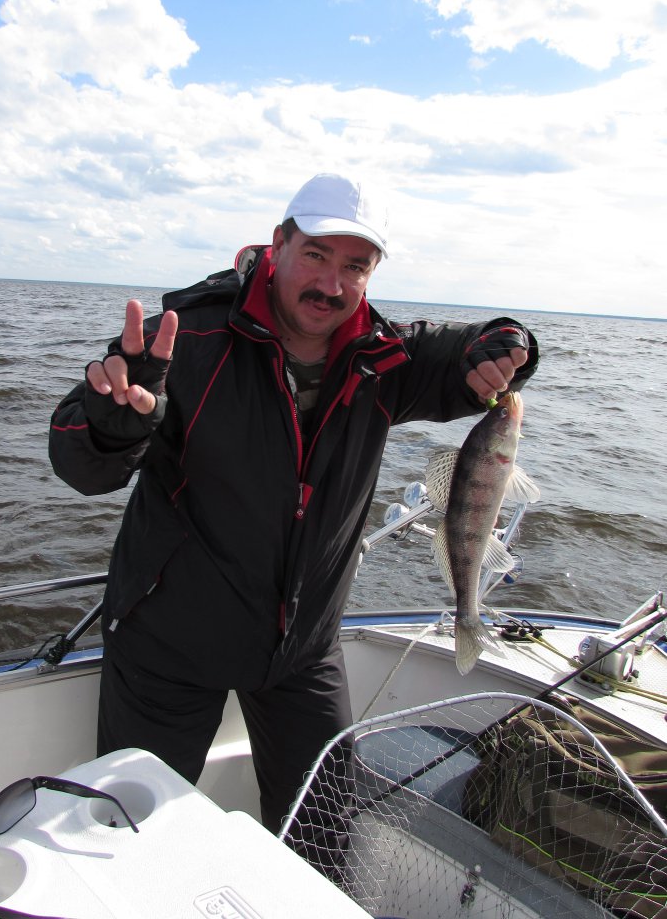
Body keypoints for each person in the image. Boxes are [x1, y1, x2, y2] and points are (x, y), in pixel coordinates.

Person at [49, 172, 538, 841]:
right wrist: (110, 426)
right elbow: (80, 465)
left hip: (304, 651)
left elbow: (475, 348)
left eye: (355, 266)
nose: (331, 284)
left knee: (325, 833)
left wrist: (511, 344)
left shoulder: (385, 357)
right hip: (168, 647)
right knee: (133, 838)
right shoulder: (181, 340)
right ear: (277, 245)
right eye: (315, 254)